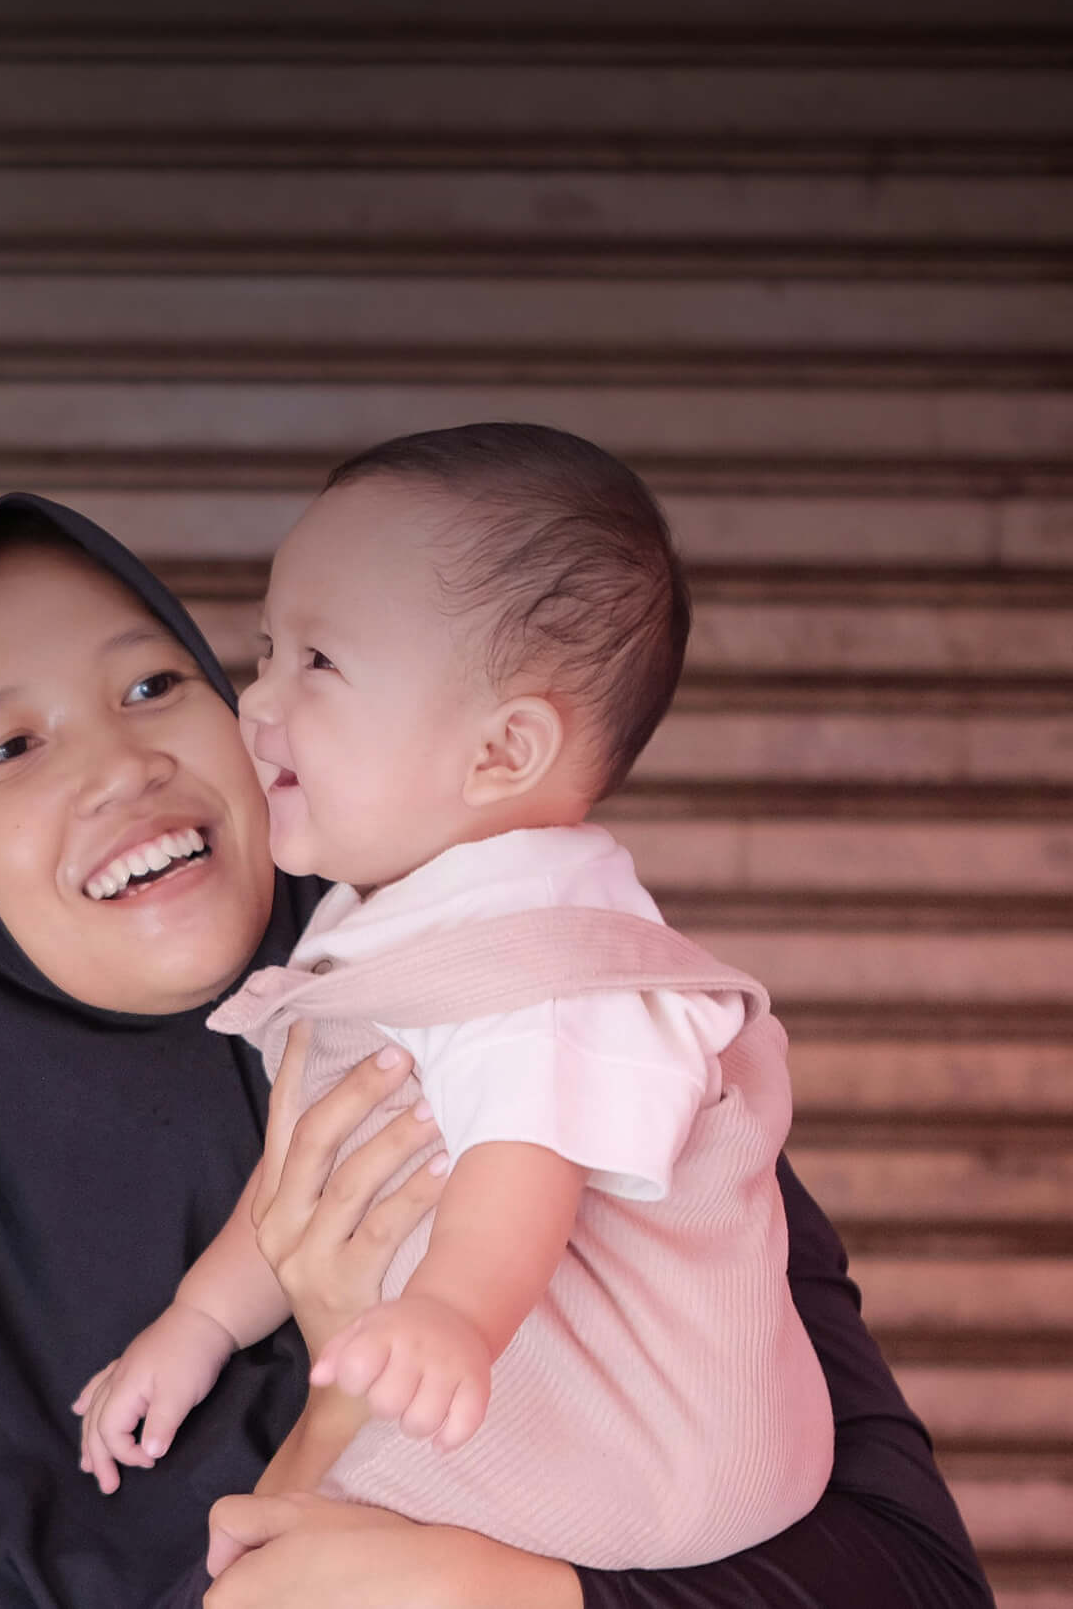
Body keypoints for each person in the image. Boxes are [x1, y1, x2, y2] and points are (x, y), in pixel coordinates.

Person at [0, 491, 993, 1609]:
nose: (127, 764)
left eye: (153, 687)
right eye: (9, 748)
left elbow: (916, 1575)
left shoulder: (536, 1020)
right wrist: (334, 1411)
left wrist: (520, 1592)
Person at [75, 424, 832, 1568]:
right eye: (267, 648)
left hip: (638, 1447)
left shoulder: (550, 953)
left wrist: (455, 1314)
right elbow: (305, 1179)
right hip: (525, 1409)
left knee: (270, 1565)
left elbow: (524, 1156)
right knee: (266, 1552)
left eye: (319, 664)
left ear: (501, 753)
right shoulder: (390, 920)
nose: (257, 701)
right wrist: (200, 1320)